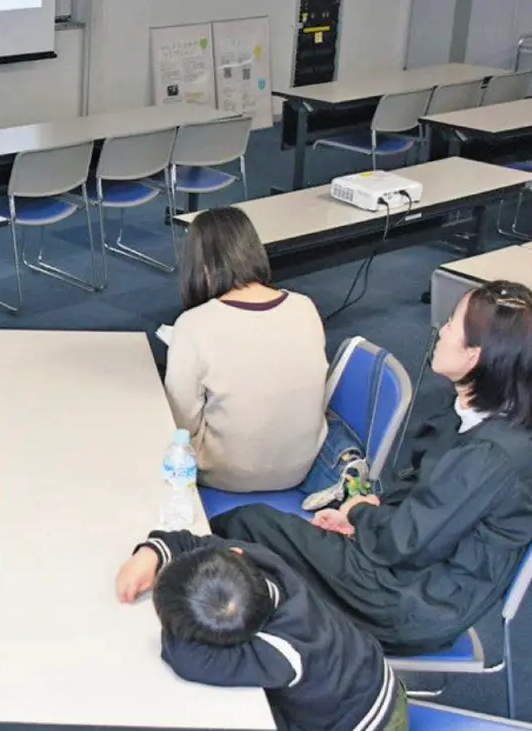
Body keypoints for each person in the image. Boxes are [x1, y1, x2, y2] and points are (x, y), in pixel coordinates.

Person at [215, 279, 532, 655]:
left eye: (451, 324)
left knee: (251, 525)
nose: (441, 330)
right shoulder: (481, 415)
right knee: (263, 543)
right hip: (414, 575)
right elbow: (427, 500)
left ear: (473, 356)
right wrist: (368, 511)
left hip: (411, 603)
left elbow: (405, 542)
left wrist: (359, 514)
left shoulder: (489, 456)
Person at [115, 531, 407, 731]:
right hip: (361, 680)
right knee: (257, 726)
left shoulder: (281, 652)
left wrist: (171, 617)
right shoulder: (255, 561)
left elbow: (186, 659)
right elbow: (197, 543)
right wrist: (153, 553)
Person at [163, 206, 328, 492]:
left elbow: (180, 422)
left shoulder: (193, 324)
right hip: (300, 467)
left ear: (200, 265)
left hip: (224, 473)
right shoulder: (305, 307)